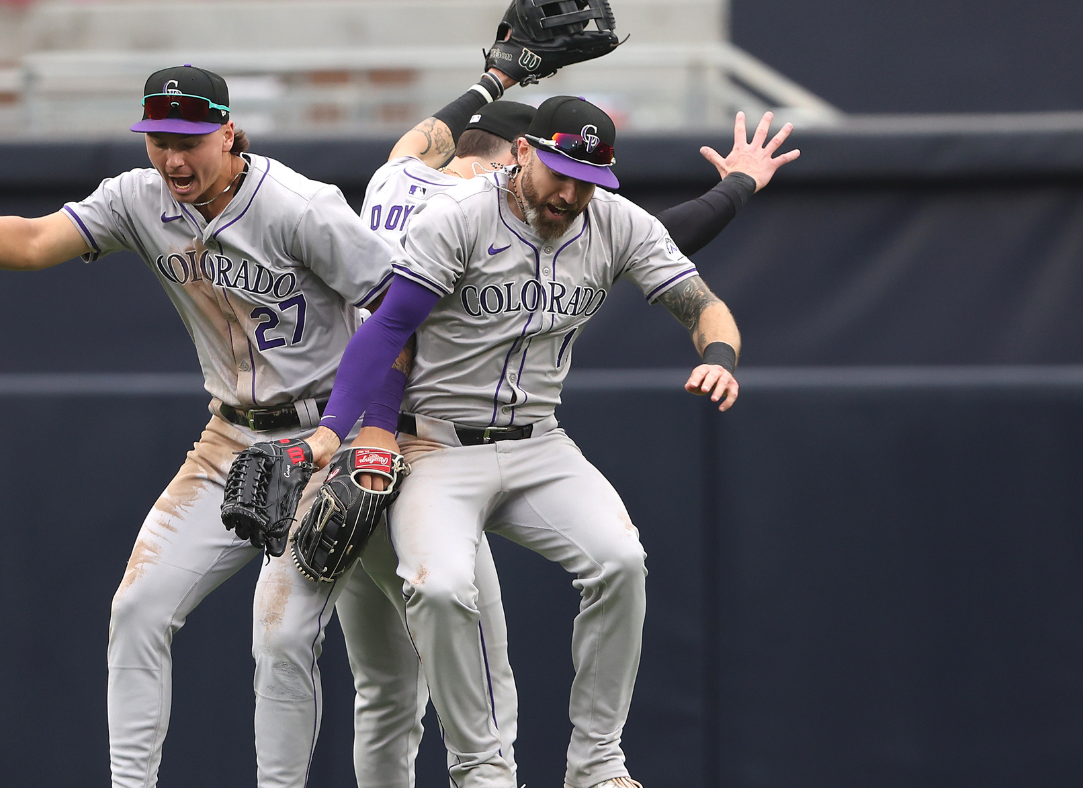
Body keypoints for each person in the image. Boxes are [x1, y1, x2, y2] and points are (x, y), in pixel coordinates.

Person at [0, 64, 408, 788]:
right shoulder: (138, 197)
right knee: (138, 609)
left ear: (228, 132)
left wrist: (368, 432)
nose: (173, 157)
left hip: (321, 438)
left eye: (189, 138)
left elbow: (399, 316)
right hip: (228, 438)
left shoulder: (298, 205)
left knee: (280, 635)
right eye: (159, 138)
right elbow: (33, 241)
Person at [300, 94, 764, 788]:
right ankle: (481, 770)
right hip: (438, 448)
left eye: (589, 179)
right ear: (523, 152)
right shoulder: (457, 217)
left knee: (620, 561)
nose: (572, 192)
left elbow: (704, 306)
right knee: (440, 587)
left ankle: (597, 764)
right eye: (560, 171)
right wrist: (333, 433)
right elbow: (387, 327)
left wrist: (719, 356)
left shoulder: (611, 221)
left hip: (539, 444)